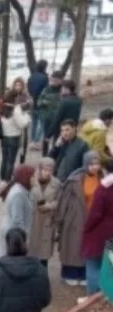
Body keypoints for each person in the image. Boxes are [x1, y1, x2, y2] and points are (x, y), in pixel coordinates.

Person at [55, 150, 100, 285]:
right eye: (91, 164)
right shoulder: (74, 180)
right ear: (85, 164)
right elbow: (64, 202)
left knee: (90, 248)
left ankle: (86, 274)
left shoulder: (104, 178)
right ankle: (70, 273)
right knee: (73, 246)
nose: (95, 167)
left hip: (95, 219)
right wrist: (60, 220)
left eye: (97, 163)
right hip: (75, 218)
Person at [82, 158, 113, 297]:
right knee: (108, 268)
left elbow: (95, 214)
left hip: (99, 232)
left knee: (93, 265)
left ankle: (92, 298)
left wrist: (86, 228)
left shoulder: (103, 189)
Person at [29, 157, 63, 266]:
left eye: (50, 170)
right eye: (45, 170)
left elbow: (60, 201)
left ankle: (42, 275)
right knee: (31, 251)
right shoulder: (32, 181)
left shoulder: (57, 184)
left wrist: (51, 206)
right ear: (39, 169)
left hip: (48, 221)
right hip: (33, 220)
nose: (47, 173)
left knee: (44, 254)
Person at [0, 165, 35, 257]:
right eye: (33, 176)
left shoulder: (22, 189)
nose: (35, 178)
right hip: (14, 235)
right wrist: (21, 241)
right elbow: (17, 221)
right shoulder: (18, 194)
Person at [0, 91, 31, 185]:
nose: (18, 100)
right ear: (14, 98)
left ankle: (2, 178)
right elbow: (22, 124)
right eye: (17, 97)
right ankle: (7, 180)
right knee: (11, 161)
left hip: (4, 137)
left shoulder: (3, 107)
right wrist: (27, 116)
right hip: (14, 137)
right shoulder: (15, 109)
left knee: (4, 159)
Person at [36, 70, 64, 156]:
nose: (54, 81)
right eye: (53, 79)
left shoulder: (63, 90)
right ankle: (44, 155)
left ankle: (55, 155)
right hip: (47, 118)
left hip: (59, 119)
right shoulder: (46, 89)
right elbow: (38, 102)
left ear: (60, 80)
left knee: (57, 138)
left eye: (56, 80)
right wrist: (44, 102)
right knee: (46, 137)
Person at [50, 79, 82, 144]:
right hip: (73, 128)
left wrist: (49, 134)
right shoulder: (78, 100)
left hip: (62, 130)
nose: (61, 90)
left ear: (67, 89)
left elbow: (57, 118)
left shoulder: (64, 102)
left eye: (62, 88)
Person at [27, 60, 50, 148]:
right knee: (42, 123)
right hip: (41, 103)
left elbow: (28, 88)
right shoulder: (44, 78)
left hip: (33, 102)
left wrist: (32, 97)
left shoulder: (31, 77)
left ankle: (32, 140)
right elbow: (46, 90)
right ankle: (36, 141)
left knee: (34, 123)